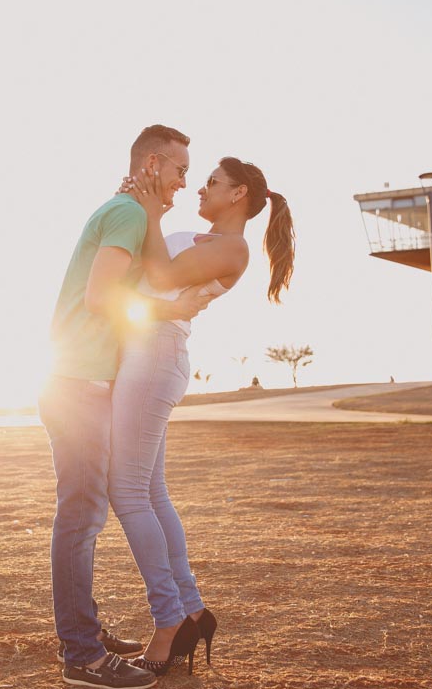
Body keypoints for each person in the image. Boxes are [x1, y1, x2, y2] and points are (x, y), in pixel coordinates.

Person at [108, 157, 295, 676]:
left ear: (238, 195)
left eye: (212, 182)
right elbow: (142, 285)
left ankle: (168, 621)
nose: (201, 188)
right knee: (149, 492)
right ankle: (191, 610)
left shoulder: (231, 248)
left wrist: (147, 212)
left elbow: (161, 274)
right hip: (146, 350)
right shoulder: (198, 235)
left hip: (155, 357)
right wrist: (138, 205)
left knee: (125, 491)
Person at [39, 124, 210, 689]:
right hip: (78, 380)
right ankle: (81, 655)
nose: (185, 182)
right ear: (155, 163)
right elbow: (100, 296)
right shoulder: (129, 215)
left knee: (87, 515)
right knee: (82, 518)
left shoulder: (133, 212)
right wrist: (172, 310)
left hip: (85, 378)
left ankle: (83, 631)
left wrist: (150, 207)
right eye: (181, 170)